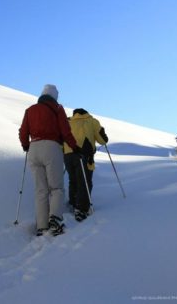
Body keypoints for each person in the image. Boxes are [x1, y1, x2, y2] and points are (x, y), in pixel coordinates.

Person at [19, 84, 81, 236]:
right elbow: (65, 131)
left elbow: (23, 132)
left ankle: (41, 226)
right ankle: (55, 220)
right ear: (55, 96)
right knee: (56, 188)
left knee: (41, 189)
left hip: (34, 148)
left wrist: (26, 145)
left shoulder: (30, 110)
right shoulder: (57, 108)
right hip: (52, 148)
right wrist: (74, 147)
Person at [63, 108, 109, 222]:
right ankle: (82, 209)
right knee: (84, 180)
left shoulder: (68, 122)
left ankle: (73, 203)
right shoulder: (92, 121)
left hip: (68, 155)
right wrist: (102, 133)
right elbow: (103, 141)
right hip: (83, 155)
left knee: (73, 180)